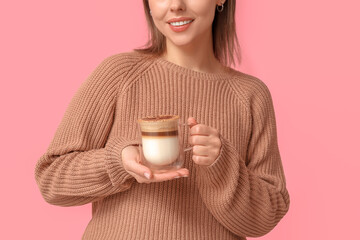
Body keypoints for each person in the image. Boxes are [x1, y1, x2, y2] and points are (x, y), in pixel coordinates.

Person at [34, 0, 290, 239]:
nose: (176, 5)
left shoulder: (250, 95)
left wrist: (222, 165)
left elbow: (266, 216)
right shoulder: (119, 74)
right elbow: (51, 179)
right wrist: (119, 161)